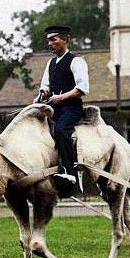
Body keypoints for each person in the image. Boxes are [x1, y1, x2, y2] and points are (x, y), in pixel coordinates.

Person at [37, 25, 89, 195]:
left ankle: (70, 170)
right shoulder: (50, 63)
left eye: (54, 39)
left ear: (66, 40)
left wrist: (60, 97)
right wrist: (44, 92)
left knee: (60, 130)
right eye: (48, 40)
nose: (50, 43)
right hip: (54, 108)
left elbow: (82, 88)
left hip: (71, 108)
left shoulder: (76, 61)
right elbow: (45, 85)